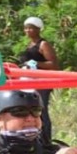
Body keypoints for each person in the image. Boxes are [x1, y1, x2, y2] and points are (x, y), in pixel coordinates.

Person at [18, 16, 59, 145]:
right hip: (28, 82)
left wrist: (37, 63)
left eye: (31, 28)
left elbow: (54, 64)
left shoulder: (43, 44)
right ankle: (34, 139)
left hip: (42, 83)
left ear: (38, 29)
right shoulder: (29, 45)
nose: (28, 30)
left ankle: (46, 141)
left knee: (41, 111)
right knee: (30, 111)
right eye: (26, 28)